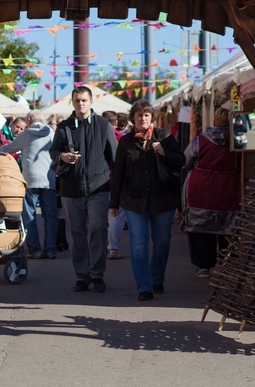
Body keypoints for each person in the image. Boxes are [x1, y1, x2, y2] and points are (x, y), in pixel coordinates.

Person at [109, 99, 185, 301]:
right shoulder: (126, 142)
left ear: (151, 117)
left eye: (146, 115)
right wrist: (113, 203)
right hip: (135, 200)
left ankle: (156, 277)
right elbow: (118, 173)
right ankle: (144, 286)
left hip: (163, 198)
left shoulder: (165, 136)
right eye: (139, 115)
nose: (142, 118)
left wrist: (164, 152)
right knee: (138, 243)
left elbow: (181, 161)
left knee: (162, 241)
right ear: (133, 118)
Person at [50, 86, 118, 292]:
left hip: (99, 186)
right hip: (72, 188)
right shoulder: (64, 126)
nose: (81, 103)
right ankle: (82, 275)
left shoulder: (103, 124)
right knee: (77, 233)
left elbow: (113, 156)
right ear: (72, 102)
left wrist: (116, 188)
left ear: (91, 102)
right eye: (77, 100)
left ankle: (97, 273)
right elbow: (53, 151)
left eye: (84, 100)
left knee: (98, 229)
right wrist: (62, 156)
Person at [181, 108, 241, 279]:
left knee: (200, 227)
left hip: (201, 187)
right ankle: (227, 263)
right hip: (228, 186)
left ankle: (203, 266)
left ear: (214, 120)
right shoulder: (239, 139)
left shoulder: (199, 140)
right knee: (228, 225)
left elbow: (186, 161)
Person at [0, 110, 58, 259]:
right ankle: (50, 249)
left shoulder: (25, 135)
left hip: (30, 179)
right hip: (49, 178)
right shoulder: (52, 133)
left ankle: (34, 250)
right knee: (50, 216)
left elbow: (8, 149)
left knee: (29, 215)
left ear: (29, 120)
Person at [103, 110, 127, 260]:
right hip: (116, 179)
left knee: (100, 215)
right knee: (116, 215)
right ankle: (113, 248)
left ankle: (100, 246)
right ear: (115, 122)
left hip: (98, 180)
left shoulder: (96, 135)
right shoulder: (121, 137)